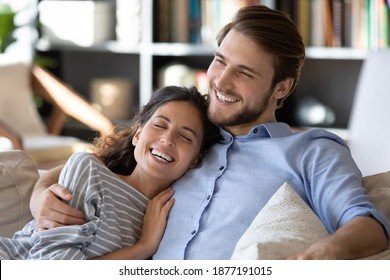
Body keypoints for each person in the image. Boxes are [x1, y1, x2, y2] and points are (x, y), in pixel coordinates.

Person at [30, 5, 389, 260]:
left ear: (282, 88)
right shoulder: (190, 134)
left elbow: (366, 223)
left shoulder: (312, 151)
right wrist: (40, 194)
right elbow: (99, 162)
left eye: (245, 73)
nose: (220, 81)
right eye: (220, 60)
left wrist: (326, 254)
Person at [0, 86, 220, 260]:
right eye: (160, 125)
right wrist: (143, 247)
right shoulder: (90, 171)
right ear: (137, 135)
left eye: (186, 137)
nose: (167, 139)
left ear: (195, 160)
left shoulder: (172, 216)